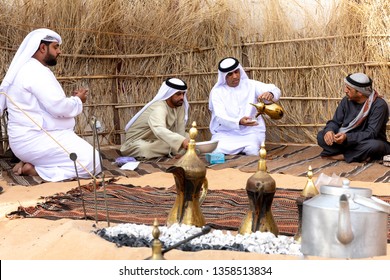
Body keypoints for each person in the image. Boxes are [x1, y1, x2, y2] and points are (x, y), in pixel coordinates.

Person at [0, 28, 101, 181]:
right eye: (55, 47)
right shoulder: (36, 71)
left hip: (25, 140)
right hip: (35, 139)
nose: (59, 51)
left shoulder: (25, 69)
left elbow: (48, 106)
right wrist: (78, 100)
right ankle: (36, 170)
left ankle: (33, 161)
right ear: (42, 48)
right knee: (92, 162)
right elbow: (59, 107)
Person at [208, 57, 282, 155]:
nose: (235, 76)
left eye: (236, 72)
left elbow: (275, 89)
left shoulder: (251, 85)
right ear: (224, 76)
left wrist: (271, 93)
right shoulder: (217, 92)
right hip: (226, 133)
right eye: (230, 74)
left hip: (250, 132)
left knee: (252, 150)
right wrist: (239, 122)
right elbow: (220, 117)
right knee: (216, 150)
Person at [317, 72, 390, 163]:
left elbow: (371, 133)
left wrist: (347, 137)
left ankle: (343, 156)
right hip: (347, 141)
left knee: (375, 145)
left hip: (366, 141)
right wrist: (329, 131)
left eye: (348, 88)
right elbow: (335, 122)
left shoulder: (379, 105)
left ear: (359, 93)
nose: (345, 91)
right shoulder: (346, 101)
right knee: (321, 136)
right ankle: (359, 155)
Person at [120, 77, 190, 159]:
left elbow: (180, 129)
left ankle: (174, 149)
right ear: (169, 94)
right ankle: (173, 149)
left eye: (183, 94)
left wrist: (182, 144)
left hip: (158, 140)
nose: (182, 97)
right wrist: (181, 142)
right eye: (178, 94)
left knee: (188, 137)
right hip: (136, 143)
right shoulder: (159, 107)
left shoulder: (179, 106)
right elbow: (159, 129)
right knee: (144, 149)